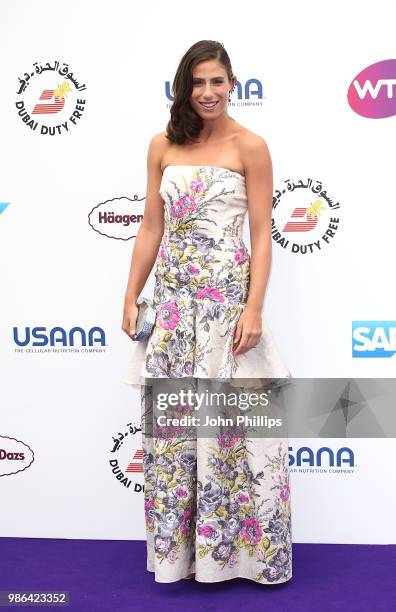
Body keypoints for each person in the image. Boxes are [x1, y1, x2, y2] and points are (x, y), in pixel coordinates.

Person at [122, 40, 292, 584]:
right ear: (184, 88)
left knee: (233, 433)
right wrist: (131, 294)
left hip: (226, 309)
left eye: (217, 81)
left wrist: (254, 307)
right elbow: (151, 226)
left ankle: (240, 557)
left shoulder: (252, 146)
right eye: (197, 83)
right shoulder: (161, 146)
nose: (207, 93)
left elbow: (263, 236)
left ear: (232, 84)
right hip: (173, 312)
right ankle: (180, 560)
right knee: (173, 438)